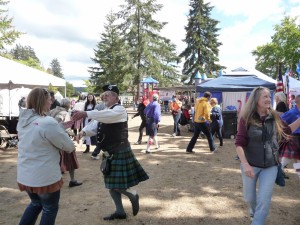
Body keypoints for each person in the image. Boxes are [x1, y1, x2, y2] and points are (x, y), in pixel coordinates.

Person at [73, 84, 149, 220]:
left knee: (115, 184)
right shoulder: (106, 111)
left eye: (107, 94)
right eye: (103, 95)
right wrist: (83, 132)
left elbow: (104, 116)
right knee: (111, 185)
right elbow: (96, 124)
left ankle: (133, 194)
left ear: (116, 97)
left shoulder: (119, 110)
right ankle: (120, 212)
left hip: (120, 151)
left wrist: (86, 113)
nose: (104, 97)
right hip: (109, 152)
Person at [235, 86, 300, 224]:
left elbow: (287, 130)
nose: (268, 99)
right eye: (265, 96)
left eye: (268, 97)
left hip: (270, 166)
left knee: (264, 199)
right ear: (256, 99)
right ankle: (254, 213)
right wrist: (245, 164)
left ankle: (257, 221)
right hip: (250, 165)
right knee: (250, 198)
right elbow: (239, 143)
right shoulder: (246, 118)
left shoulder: (274, 116)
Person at [17, 88, 75, 225]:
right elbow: (69, 147)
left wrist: (58, 128)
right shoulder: (47, 122)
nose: (51, 102)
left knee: (35, 204)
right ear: (43, 101)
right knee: (49, 208)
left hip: (26, 174)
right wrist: (60, 130)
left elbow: (38, 137)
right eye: (50, 99)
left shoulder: (23, 121)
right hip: (44, 176)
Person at [49, 98, 82, 187]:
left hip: (51, 139)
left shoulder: (52, 111)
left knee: (55, 161)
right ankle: (72, 180)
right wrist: (73, 135)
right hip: (62, 139)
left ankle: (54, 181)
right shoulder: (65, 113)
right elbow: (65, 127)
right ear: (68, 105)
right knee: (70, 159)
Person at [280, 94, 300, 179]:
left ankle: (278, 170)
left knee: (296, 158)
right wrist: (284, 134)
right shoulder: (292, 112)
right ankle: (277, 171)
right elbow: (280, 121)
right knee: (288, 158)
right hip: (294, 137)